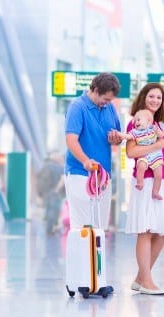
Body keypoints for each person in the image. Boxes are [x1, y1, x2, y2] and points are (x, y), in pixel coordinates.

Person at [124, 82, 164, 296]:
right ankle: (146, 280)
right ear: (143, 97)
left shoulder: (158, 125)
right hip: (144, 181)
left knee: (163, 231)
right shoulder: (137, 122)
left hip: (161, 181)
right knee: (145, 230)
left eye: (159, 97)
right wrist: (156, 145)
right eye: (151, 96)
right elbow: (131, 152)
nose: (155, 100)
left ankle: (140, 278)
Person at [64, 72, 124, 231]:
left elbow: (118, 136)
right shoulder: (77, 107)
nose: (107, 103)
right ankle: (81, 257)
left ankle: (98, 257)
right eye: (105, 99)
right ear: (96, 90)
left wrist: (115, 139)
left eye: (110, 100)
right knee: (82, 228)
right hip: (80, 173)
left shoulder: (109, 107)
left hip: (103, 176)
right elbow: (71, 140)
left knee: (99, 228)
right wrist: (85, 161)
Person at [123, 108, 164, 200]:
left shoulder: (153, 129)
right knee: (141, 166)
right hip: (144, 155)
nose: (136, 122)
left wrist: (158, 132)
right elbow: (128, 136)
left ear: (149, 121)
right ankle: (140, 182)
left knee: (159, 175)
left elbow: (161, 136)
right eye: (135, 120)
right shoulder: (135, 132)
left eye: (138, 120)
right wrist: (121, 136)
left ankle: (155, 192)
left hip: (155, 155)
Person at [37, 152, 65, 235]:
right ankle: (51, 229)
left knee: (50, 211)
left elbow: (42, 181)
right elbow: (63, 180)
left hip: (49, 192)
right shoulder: (61, 167)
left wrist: (40, 194)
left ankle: (50, 229)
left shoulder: (47, 166)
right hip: (57, 192)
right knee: (54, 210)